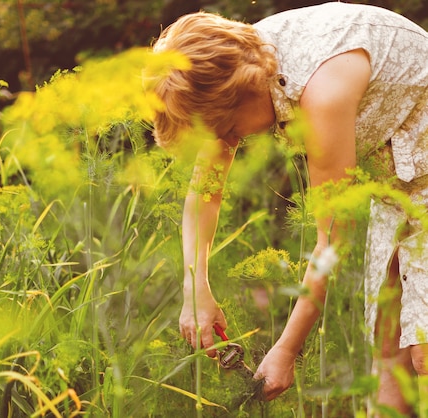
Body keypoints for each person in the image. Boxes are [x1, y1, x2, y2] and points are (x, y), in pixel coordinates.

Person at [151, 2, 428, 415]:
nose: (229, 140)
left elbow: (333, 242)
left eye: (227, 129)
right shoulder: (230, 64)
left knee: (423, 352)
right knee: (389, 357)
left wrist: (285, 350)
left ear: (243, 93)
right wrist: (196, 287)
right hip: (396, 185)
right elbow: (205, 190)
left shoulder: (323, 93)